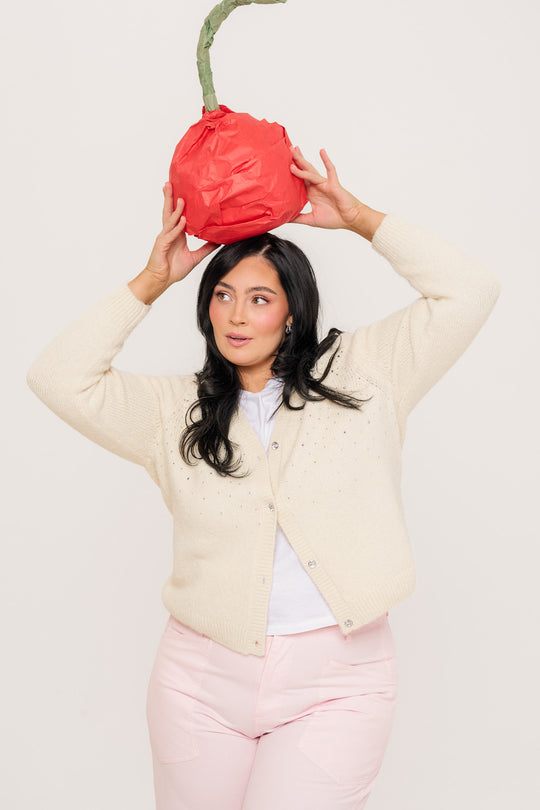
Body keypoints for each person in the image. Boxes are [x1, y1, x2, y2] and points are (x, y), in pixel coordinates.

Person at [27, 146, 501, 810]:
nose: (237, 314)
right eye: (222, 295)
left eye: (259, 298)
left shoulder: (367, 375)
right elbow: (56, 378)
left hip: (339, 683)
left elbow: (470, 289)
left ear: (292, 311)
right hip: (198, 682)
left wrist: (362, 219)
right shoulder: (174, 412)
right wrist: (151, 279)